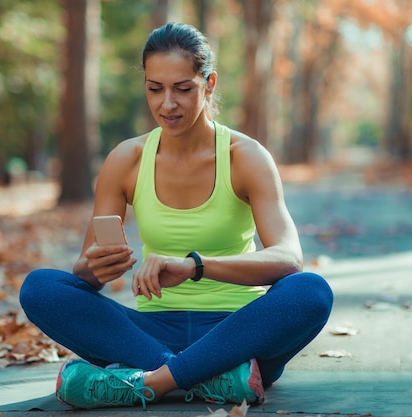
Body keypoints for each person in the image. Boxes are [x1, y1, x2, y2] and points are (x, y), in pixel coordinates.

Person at [20, 22, 333, 410]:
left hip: (236, 331)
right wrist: (94, 267)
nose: (167, 104)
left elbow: (288, 259)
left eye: (183, 89)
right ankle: (207, 378)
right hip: (150, 334)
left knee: (311, 291)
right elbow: (85, 275)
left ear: (209, 83)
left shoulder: (245, 157)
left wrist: (194, 266)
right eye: (155, 89)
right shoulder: (127, 160)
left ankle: (151, 381)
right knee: (40, 288)